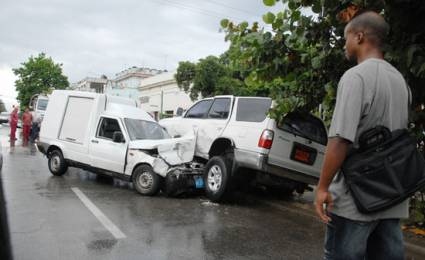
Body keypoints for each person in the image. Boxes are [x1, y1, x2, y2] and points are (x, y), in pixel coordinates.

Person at [315, 11, 409, 259]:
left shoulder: (356, 77)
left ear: (359, 37)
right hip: (392, 197)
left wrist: (323, 187)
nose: (344, 45)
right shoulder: (400, 81)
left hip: (354, 201)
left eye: (345, 38)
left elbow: (340, 140)